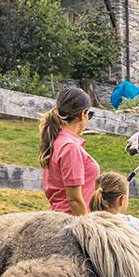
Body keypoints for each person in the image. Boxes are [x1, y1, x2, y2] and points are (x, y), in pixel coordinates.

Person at [39, 87, 100, 215]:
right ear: (83, 114)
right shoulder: (70, 147)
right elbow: (74, 200)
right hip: (73, 221)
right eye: (89, 114)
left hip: (59, 217)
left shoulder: (58, 141)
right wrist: (87, 225)